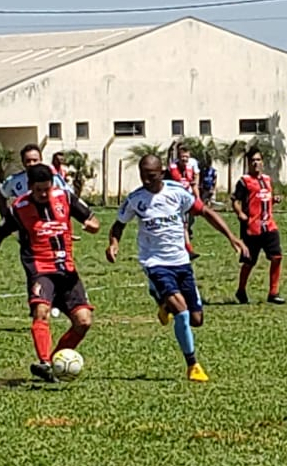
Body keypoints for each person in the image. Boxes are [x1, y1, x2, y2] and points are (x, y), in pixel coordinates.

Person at [105, 155, 248, 383]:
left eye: (151, 176)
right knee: (181, 311)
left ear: (161, 173)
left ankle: (163, 303)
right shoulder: (135, 199)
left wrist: (231, 237)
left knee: (196, 319)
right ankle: (193, 365)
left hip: (181, 262)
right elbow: (118, 226)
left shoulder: (177, 192)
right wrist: (114, 244)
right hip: (154, 262)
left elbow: (206, 212)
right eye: (143, 176)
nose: (146, 181)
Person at [0, 164, 100, 383]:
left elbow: (93, 220)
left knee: (84, 321)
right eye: (38, 190)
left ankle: (54, 363)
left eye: (47, 189)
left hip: (67, 271)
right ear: (29, 186)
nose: (43, 194)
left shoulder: (65, 197)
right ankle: (45, 363)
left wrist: (92, 226)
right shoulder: (19, 208)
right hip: (40, 270)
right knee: (41, 311)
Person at [231, 147, 285, 305]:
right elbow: (235, 201)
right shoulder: (244, 181)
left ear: (262, 162)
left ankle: (273, 293)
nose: (256, 163)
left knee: (277, 257)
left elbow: (263, 199)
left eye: (258, 160)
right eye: (252, 160)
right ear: (248, 163)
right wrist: (240, 213)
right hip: (252, 228)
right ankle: (241, 290)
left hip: (269, 225)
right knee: (249, 262)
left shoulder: (267, 180)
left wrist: (273, 200)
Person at [0, 144, 70, 218]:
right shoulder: (14, 180)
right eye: (28, 161)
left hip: (51, 219)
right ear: (23, 162)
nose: (32, 164)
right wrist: (5, 216)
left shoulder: (54, 178)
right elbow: (2, 194)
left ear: (41, 160)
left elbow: (69, 196)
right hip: (26, 220)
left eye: (35, 160)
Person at [166, 145, 201, 259]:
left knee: (185, 225)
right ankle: (184, 249)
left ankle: (187, 249)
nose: (185, 159)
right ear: (178, 157)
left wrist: (198, 198)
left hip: (186, 200)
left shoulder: (190, 167)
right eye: (182, 157)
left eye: (187, 157)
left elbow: (193, 184)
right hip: (174, 201)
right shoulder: (172, 169)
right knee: (178, 225)